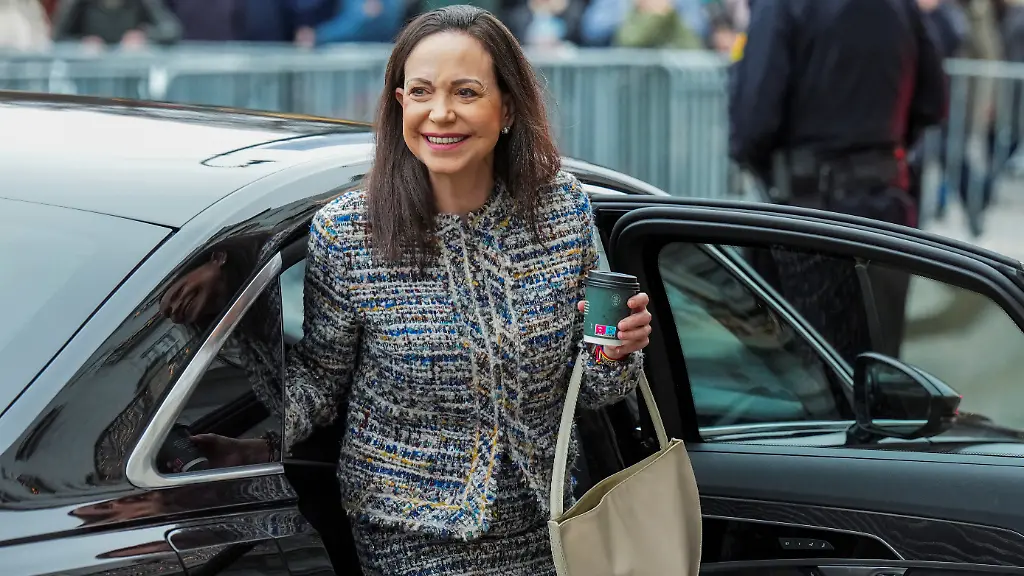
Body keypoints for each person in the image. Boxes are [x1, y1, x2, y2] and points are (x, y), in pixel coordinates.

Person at [194, 5, 653, 575]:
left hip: (552, 523)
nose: (441, 113)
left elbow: (593, 389)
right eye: (421, 91)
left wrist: (617, 351)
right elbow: (317, 388)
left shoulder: (561, 209)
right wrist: (227, 326)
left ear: (506, 107)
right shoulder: (349, 232)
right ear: (398, 103)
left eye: (466, 92)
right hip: (408, 537)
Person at [729, 0, 947, 366]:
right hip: (885, 208)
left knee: (813, 378)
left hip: (807, 218)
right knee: (877, 370)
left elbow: (753, 124)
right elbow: (933, 102)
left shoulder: (782, 7)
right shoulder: (901, 7)